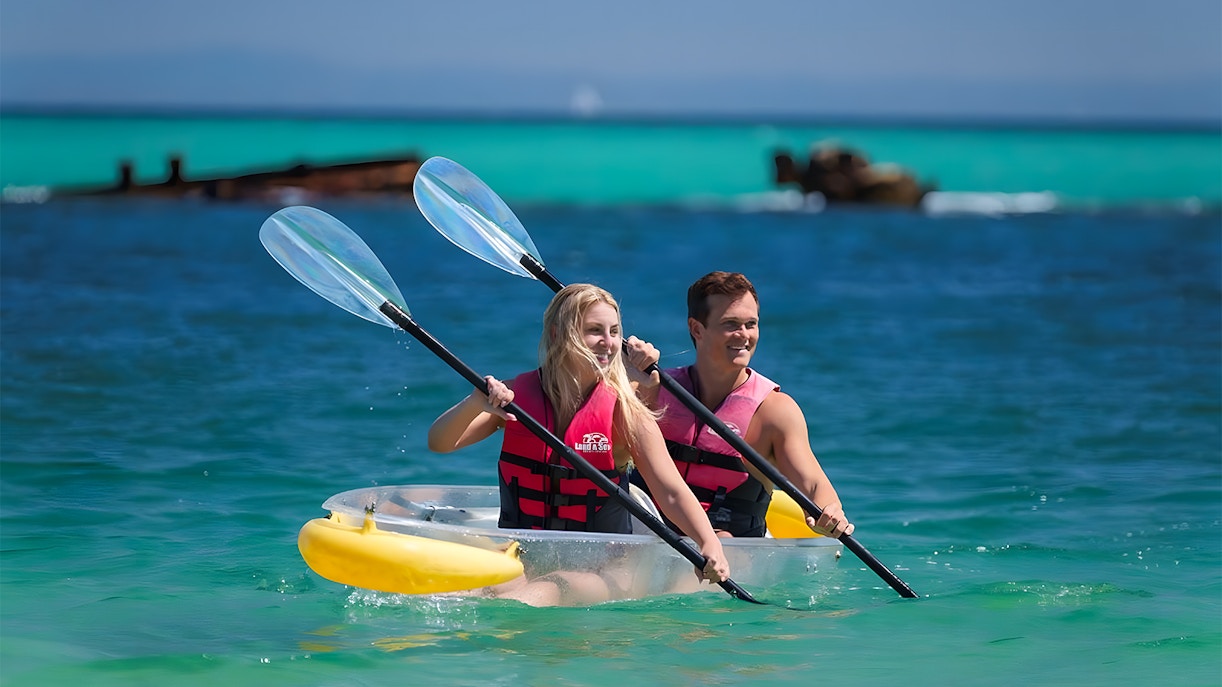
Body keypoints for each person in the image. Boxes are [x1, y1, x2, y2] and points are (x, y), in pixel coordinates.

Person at [428, 283, 730, 605]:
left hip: (608, 571)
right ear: (559, 334)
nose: (609, 342)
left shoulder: (623, 410)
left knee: (555, 585)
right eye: (594, 331)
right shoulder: (518, 396)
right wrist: (476, 401)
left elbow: (670, 491)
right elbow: (441, 442)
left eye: (614, 331)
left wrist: (708, 542)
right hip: (530, 555)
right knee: (495, 584)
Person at [625, 271, 854, 539]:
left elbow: (813, 483)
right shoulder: (653, 389)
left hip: (730, 547)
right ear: (697, 329)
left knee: (723, 540)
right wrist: (627, 374)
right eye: (731, 324)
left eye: (751, 324)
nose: (744, 335)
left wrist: (831, 510)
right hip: (649, 531)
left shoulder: (773, 411)